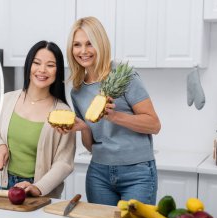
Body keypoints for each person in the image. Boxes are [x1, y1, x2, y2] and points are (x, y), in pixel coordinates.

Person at [57, 17, 161, 205]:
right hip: (99, 174)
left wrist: (115, 116)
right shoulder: (77, 91)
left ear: (101, 43)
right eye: (77, 45)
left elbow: (154, 124)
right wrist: (84, 128)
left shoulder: (123, 75)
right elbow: (91, 146)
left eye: (89, 44)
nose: (83, 51)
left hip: (137, 173)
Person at [0, 40, 76, 198]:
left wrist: (38, 187)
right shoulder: (7, 100)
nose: (42, 70)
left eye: (50, 65)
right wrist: (0, 146)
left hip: (38, 192)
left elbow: (64, 162)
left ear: (58, 71)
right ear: (29, 66)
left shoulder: (63, 113)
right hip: (2, 186)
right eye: (37, 63)